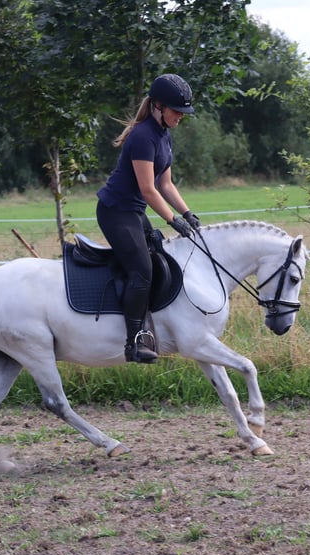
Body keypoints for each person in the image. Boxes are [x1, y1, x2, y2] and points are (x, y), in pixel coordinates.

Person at [96, 73, 202, 364]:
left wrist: (187, 213)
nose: (181, 117)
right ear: (158, 106)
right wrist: (172, 220)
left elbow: (166, 184)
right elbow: (148, 189)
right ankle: (134, 343)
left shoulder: (164, 136)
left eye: (183, 112)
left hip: (134, 211)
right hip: (116, 211)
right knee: (142, 270)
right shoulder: (143, 137)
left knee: (158, 257)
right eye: (177, 111)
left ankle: (154, 324)